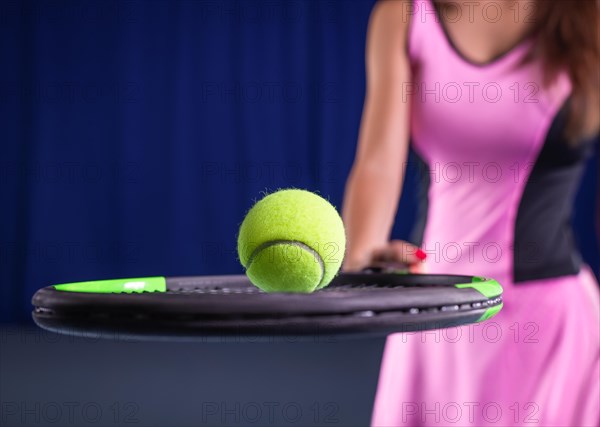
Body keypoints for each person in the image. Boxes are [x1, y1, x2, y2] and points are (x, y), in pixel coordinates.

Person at [342, 0, 600, 426]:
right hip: (432, 323)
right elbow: (377, 165)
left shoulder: (589, 16)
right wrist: (362, 257)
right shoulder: (403, 16)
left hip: (555, 336)